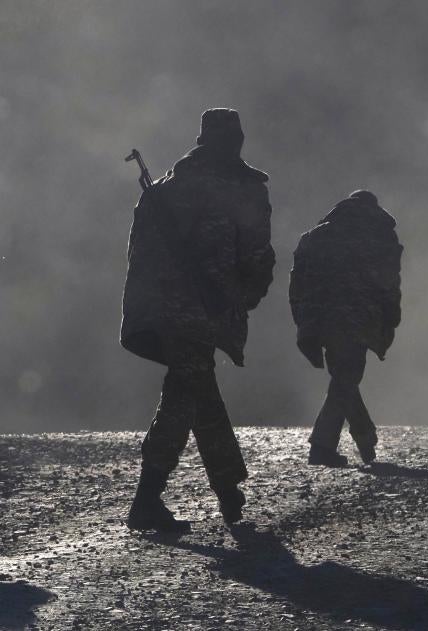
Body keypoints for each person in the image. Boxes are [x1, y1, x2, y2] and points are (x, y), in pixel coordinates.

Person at [121, 108, 275, 531]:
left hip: (164, 309)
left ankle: (227, 489)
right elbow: (258, 254)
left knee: (197, 386)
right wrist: (247, 296)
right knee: (184, 393)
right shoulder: (243, 188)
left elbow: (140, 253)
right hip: (205, 308)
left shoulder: (167, 188)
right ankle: (147, 499)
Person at [290, 190, 402, 466]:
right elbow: (388, 287)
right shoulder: (377, 239)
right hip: (358, 321)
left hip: (321, 320)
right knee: (346, 379)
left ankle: (363, 436)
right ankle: (323, 445)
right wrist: (390, 322)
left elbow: (297, 287)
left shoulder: (313, 237)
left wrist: (304, 323)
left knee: (344, 379)